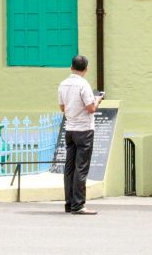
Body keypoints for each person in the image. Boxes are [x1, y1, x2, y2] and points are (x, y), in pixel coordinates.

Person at [58, 55, 104, 215]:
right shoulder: (84, 85)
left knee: (69, 167)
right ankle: (78, 205)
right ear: (86, 69)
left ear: (71, 67)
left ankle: (69, 203)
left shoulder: (63, 84)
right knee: (81, 168)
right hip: (84, 130)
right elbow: (91, 109)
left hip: (69, 129)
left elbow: (62, 108)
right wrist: (98, 100)